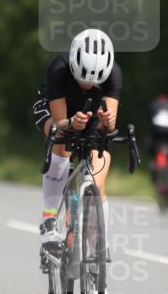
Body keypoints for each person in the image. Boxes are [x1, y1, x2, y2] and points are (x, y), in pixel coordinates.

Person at [33, 28, 121, 247]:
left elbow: (109, 126)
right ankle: (49, 219)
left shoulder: (114, 74)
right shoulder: (58, 69)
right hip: (58, 114)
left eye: (94, 82)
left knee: (97, 180)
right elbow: (62, 124)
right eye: (82, 79)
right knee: (60, 138)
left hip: (90, 114)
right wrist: (71, 123)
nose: (87, 85)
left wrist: (106, 120)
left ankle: (98, 240)